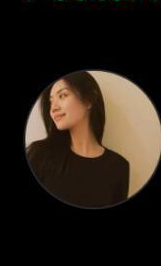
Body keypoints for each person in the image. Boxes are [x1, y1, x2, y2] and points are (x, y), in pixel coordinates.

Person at [26, 75, 130, 207]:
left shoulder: (119, 167)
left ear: (88, 100)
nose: (53, 108)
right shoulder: (39, 155)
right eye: (51, 101)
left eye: (62, 95)